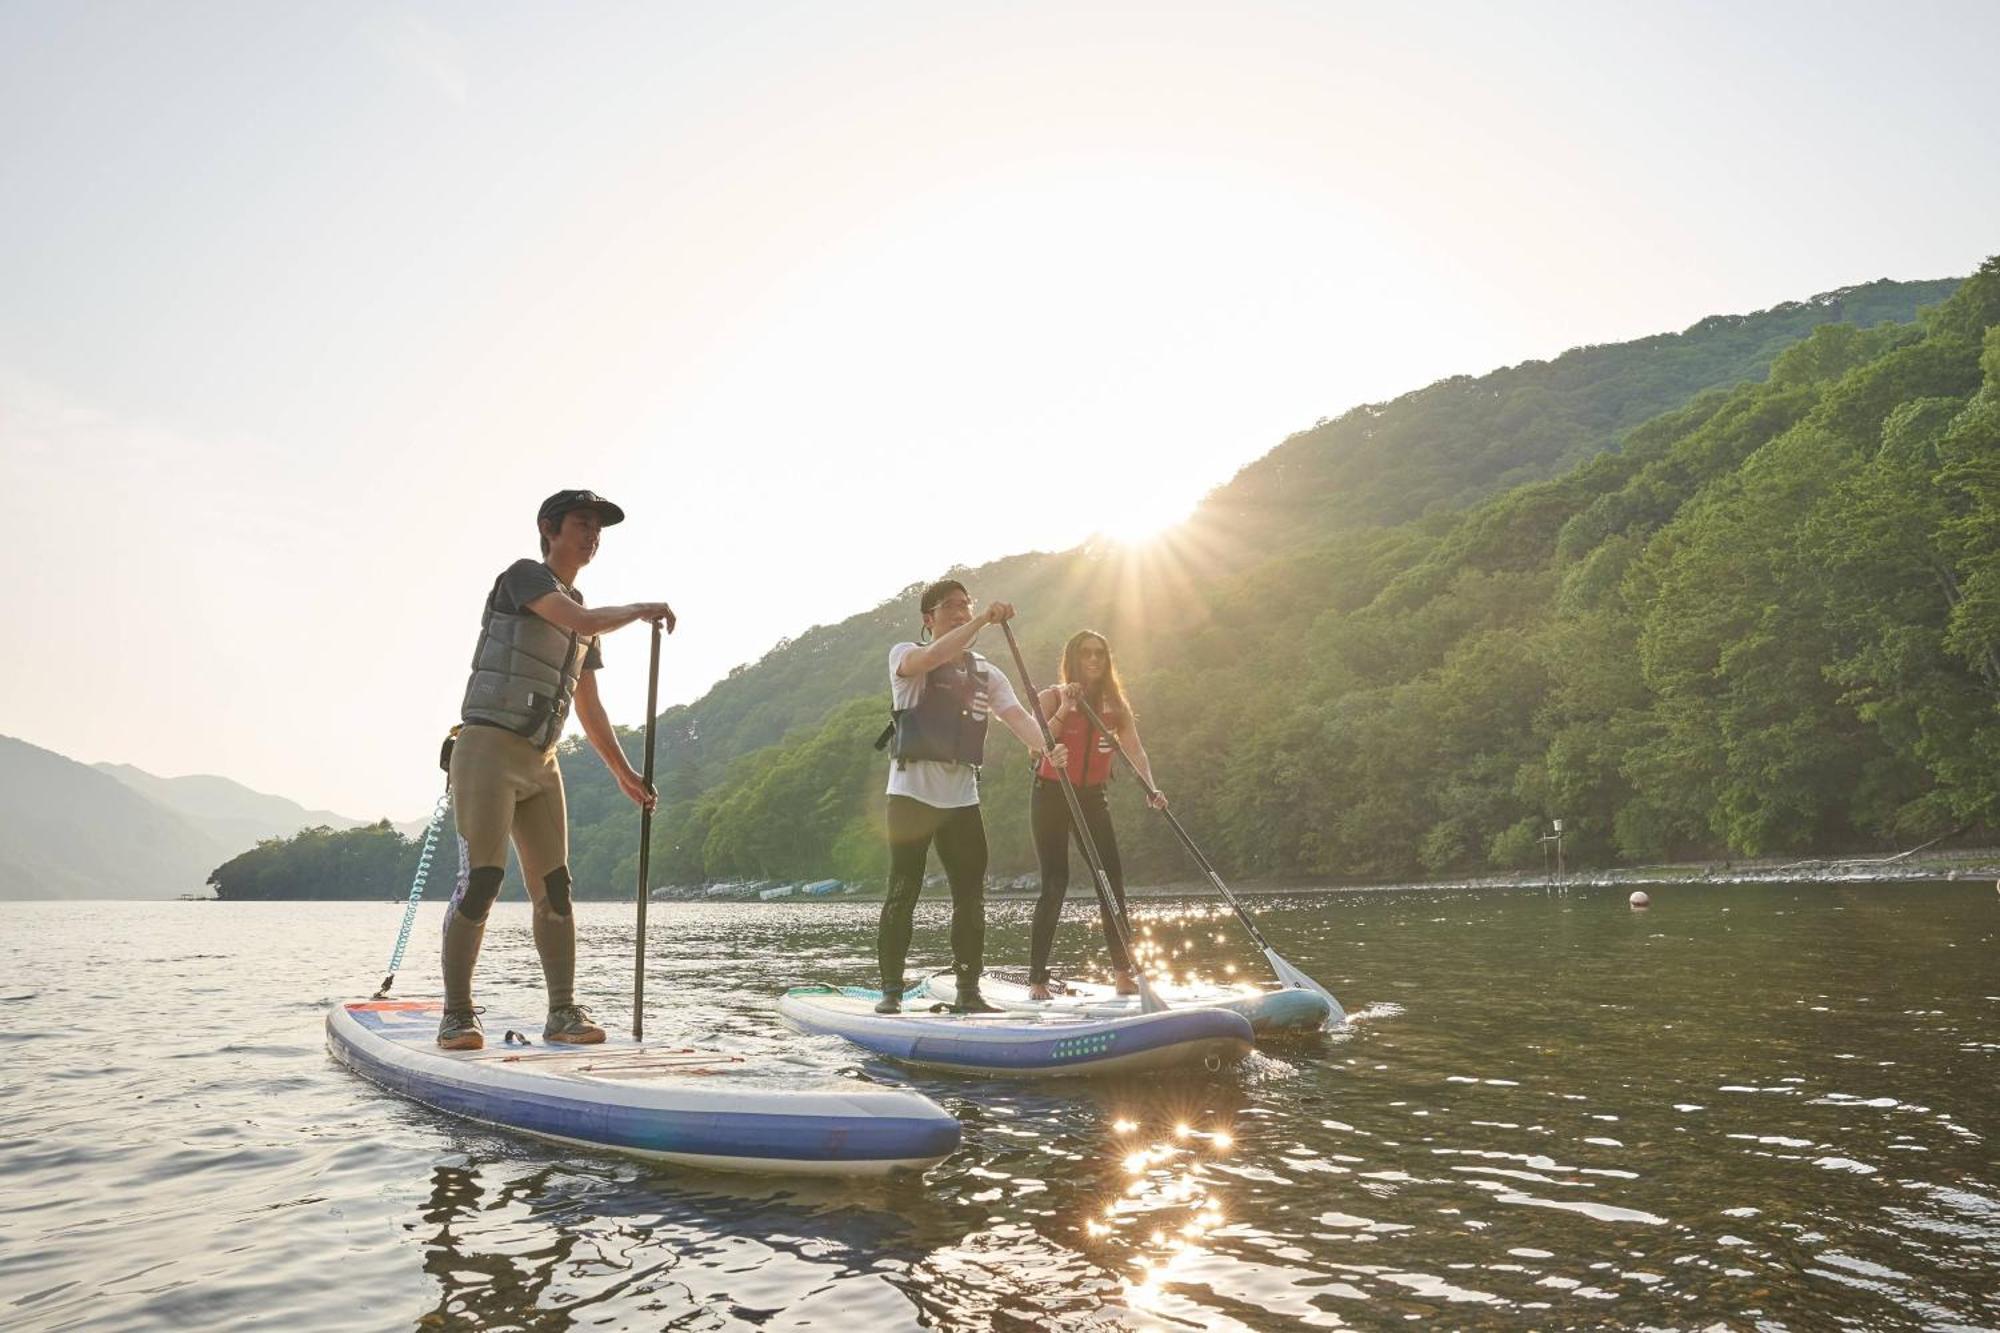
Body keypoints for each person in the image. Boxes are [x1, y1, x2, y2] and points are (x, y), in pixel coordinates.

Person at [437, 489, 677, 1051]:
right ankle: (456, 1013)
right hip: (487, 751)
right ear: (549, 528)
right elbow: (584, 618)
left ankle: (563, 1013)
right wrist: (643, 609)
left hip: (543, 764)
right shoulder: (523, 577)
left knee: (557, 889)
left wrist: (623, 773)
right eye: (581, 524)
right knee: (483, 881)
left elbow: (587, 704)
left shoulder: (583, 607)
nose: (592, 535)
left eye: (598, 528)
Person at [874, 579, 1067, 1014]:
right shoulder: (905, 656)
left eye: (967, 606)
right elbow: (935, 655)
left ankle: (968, 991)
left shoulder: (986, 673)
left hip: (961, 799)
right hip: (911, 796)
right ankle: (890, 991)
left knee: (970, 896)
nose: (962, 612)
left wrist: (1046, 746)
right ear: (929, 618)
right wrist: (981, 620)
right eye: (951, 607)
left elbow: (1018, 717)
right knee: (903, 890)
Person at [1025, 630, 1167, 1001]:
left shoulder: (1115, 705)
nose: (1093, 660)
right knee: (1055, 884)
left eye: (1100, 654)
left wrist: (1151, 789)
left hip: (1092, 798)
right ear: (1072, 658)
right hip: (1052, 796)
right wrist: (1065, 708)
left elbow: (1136, 752)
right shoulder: (1052, 696)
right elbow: (1034, 746)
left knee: (1112, 884)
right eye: (1086, 653)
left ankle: (1123, 973)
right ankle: (1037, 979)